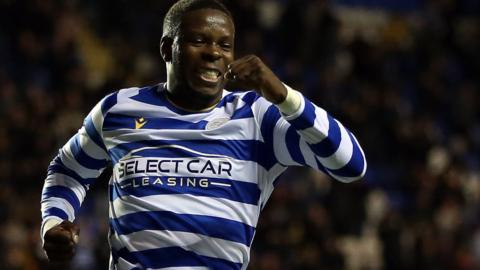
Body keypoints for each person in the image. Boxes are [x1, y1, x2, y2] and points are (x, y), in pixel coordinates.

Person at [40, 0, 367, 269]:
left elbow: (350, 164)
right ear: (168, 49)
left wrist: (284, 96)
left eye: (225, 45)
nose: (215, 52)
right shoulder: (119, 110)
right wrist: (54, 221)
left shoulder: (258, 117)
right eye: (199, 40)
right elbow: (68, 170)